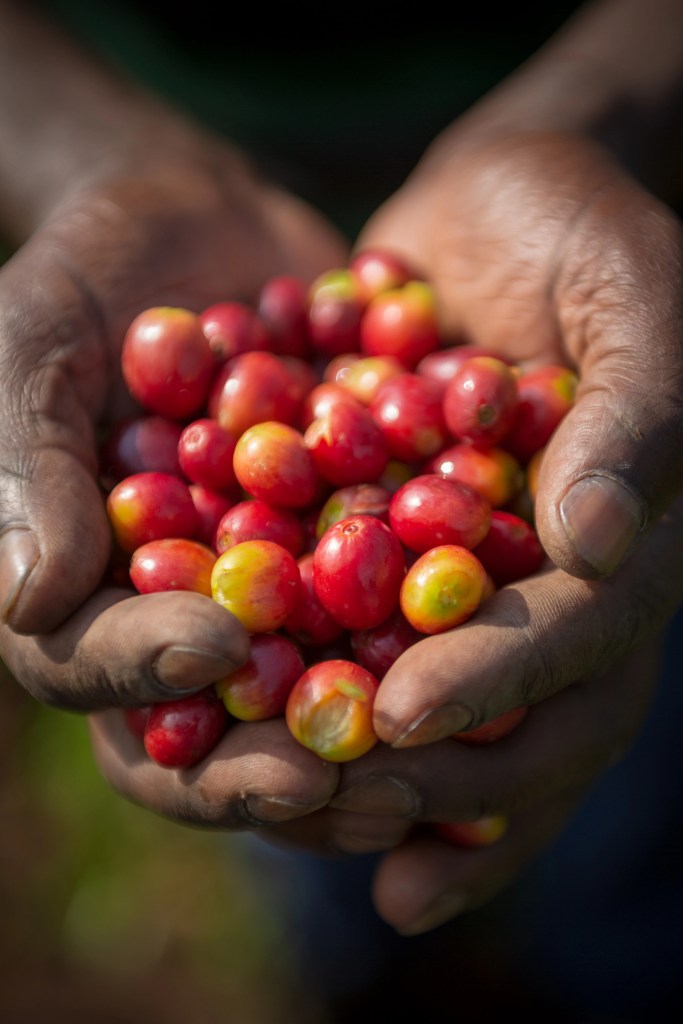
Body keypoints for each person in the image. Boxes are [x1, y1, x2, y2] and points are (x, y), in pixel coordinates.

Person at [0, 0, 682, 1014]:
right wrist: (82, 156)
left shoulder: (404, 469)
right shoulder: (270, 505)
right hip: (164, 127)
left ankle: (620, 962)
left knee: (606, 699)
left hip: (562, 183)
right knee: (313, 803)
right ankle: (359, 965)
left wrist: (594, 115)